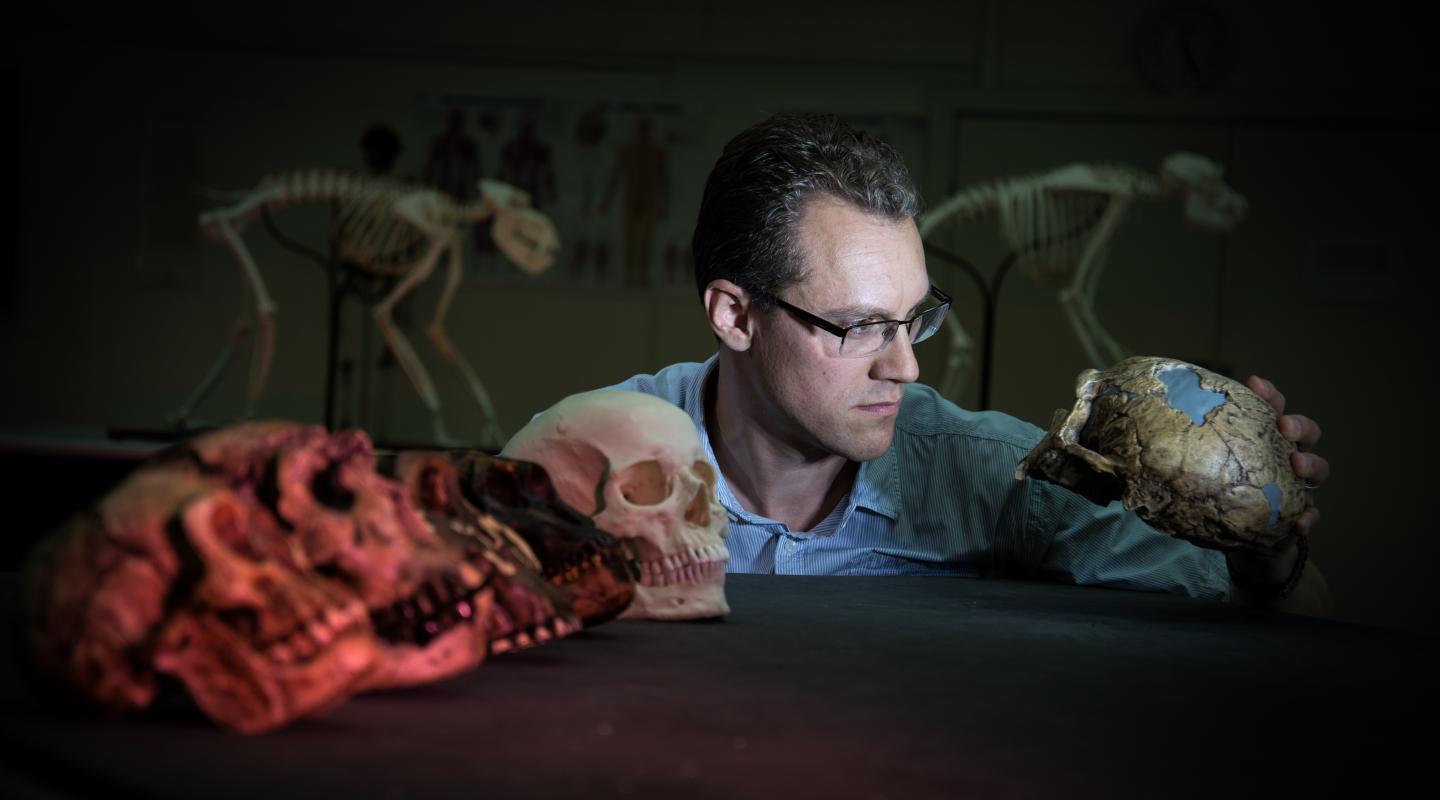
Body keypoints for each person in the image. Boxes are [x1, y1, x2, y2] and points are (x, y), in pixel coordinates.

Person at [547, 112, 1330, 613]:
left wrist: (1268, 554)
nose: (906, 369)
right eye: (858, 328)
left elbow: (1286, 618)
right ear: (735, 314)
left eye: (914, 320)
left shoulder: (997, 480)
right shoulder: (594, 454)